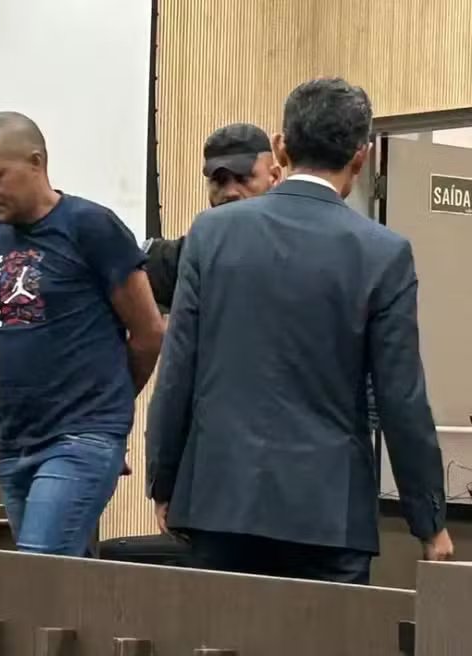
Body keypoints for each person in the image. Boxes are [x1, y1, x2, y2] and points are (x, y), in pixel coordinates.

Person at [145, 78, 452, 584]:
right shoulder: (383, 253)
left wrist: (165, 481)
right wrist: (429, 520)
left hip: (219, 503)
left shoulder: (211, 234)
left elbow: (178, 371)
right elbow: (401, 398)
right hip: (329, 516)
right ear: (361, 156)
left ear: (281, 147)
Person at [0, 111, 164, 556]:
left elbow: (149, 332)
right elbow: (5, 336)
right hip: (13, 443)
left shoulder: (90, 227)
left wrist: (106, 414)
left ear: (36, 162)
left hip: (79, 438)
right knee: (60, 580)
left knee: (37, 571)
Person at [144, 123, 281, 310]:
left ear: (274, 177)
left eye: (242, 178)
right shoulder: (174, 261)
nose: (230, 192)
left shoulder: (299, 256)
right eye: (220, 180)